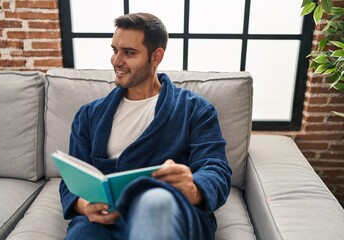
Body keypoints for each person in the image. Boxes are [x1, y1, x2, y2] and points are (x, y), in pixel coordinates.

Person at [59, 12, 232, 240]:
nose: (116, 61)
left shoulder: (195, 110)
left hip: (169, 211)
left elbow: (216, 168)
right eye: (114, 50)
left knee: (155, 201)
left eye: (129, 53)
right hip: (106, 220)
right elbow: (71, 180)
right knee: (82, 234)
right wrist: (84, 206)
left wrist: (193, 188)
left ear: (156, 57)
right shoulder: (90, 115)